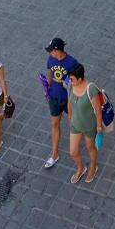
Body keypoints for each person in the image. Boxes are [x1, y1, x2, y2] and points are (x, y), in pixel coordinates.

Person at [43, 37, 79, 170]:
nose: (49, 53)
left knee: (73, 124)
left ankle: (75, 148)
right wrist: (47, 87)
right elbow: (50, 72)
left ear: (57, 50)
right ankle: (55, 153)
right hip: (54, 97)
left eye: (51, 51)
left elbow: (79, 80)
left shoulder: (72, 62)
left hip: (68, 99)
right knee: (54, 124)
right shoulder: (51, 59)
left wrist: (70, 84)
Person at [66, 63, 103, 184]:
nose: (70, 81)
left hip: (89, 126)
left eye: (72, 79)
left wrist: (98, 127)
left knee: (90, 148)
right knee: (73, 151)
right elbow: (69, 103)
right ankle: (81, 168)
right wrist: (70, 118)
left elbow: (97, 110)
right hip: (75, 124)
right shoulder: (71, 86)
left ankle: (93, 166)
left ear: (80, 78)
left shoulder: (90, 89)